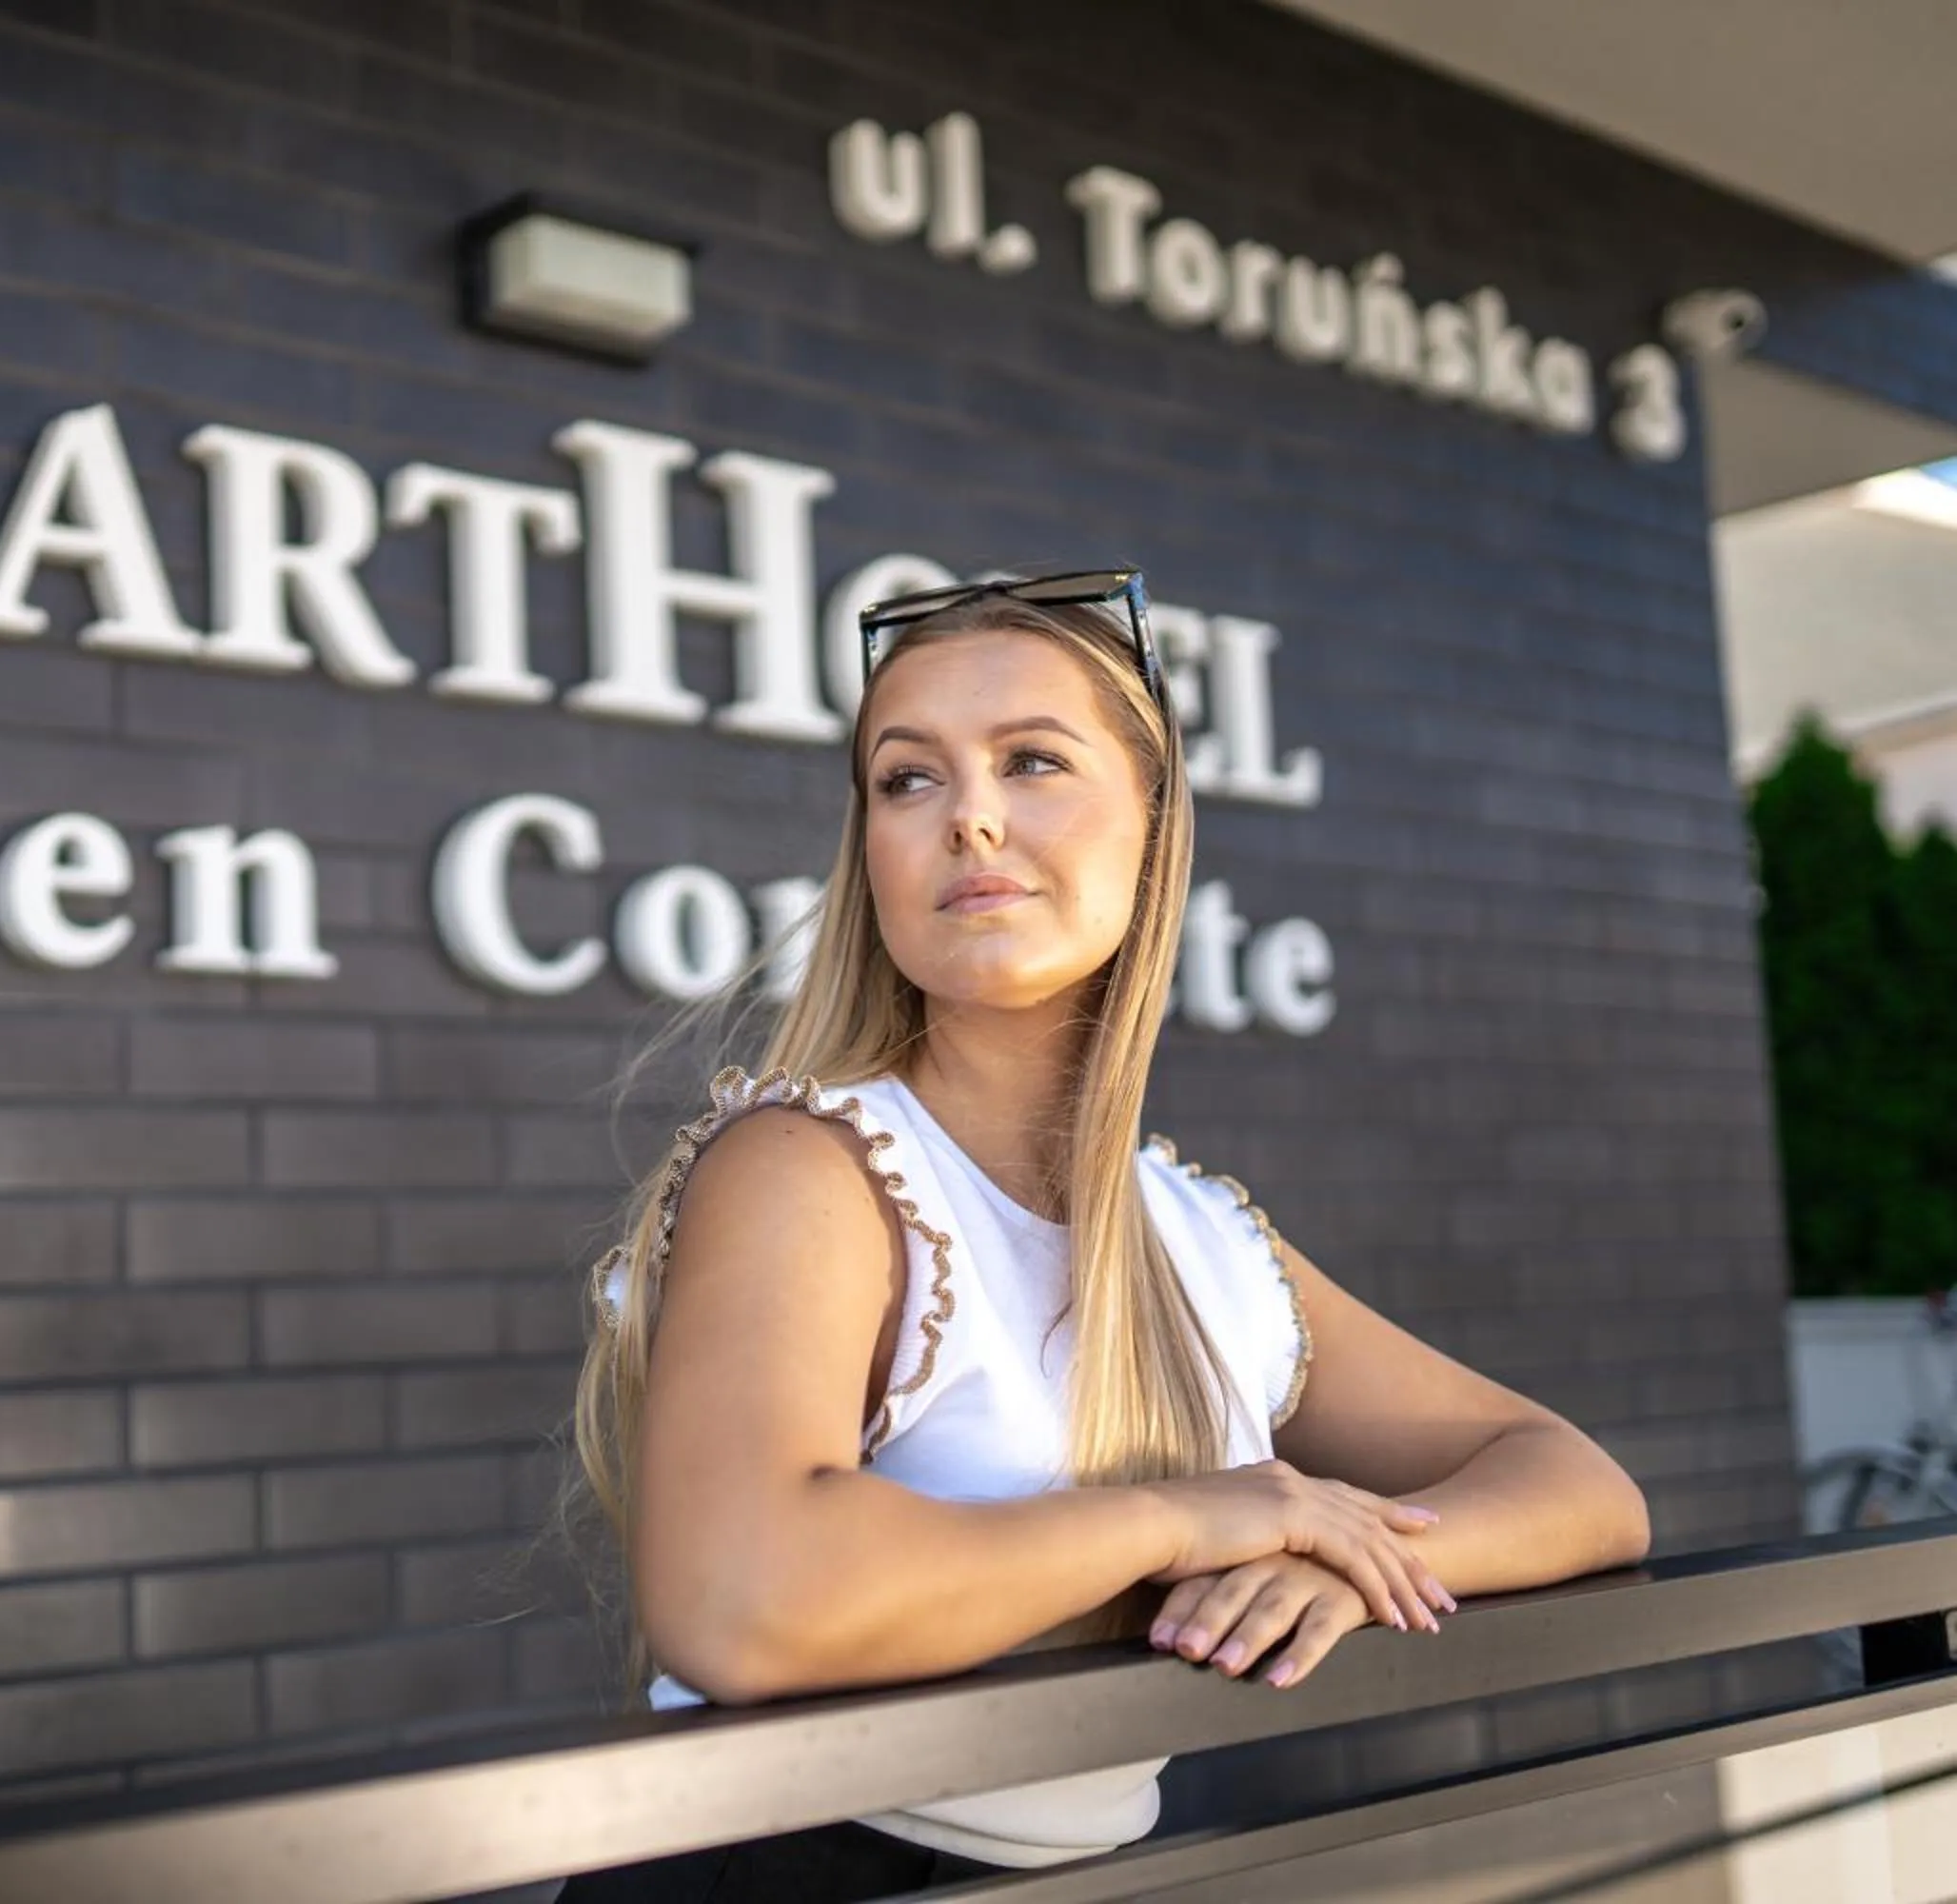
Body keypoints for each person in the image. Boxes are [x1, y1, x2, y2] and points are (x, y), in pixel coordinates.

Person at [553, 569, 1652, 1900]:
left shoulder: (1200, 1239)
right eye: (908, 780)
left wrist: (1358, 1570)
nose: (969, 817)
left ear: (1152, 822)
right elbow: (742, 1603)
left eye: (1032, 761)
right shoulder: (809, 1164)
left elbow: (1578, 1485)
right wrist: (1188, 1519)